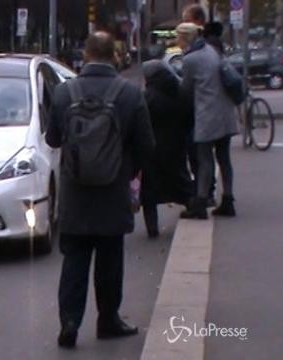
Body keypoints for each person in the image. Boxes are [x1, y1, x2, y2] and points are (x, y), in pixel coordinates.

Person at [46, 31, 155, 349]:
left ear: (85, 55)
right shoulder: (131, 94)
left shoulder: (65, 92)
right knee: (110, 259)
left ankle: (69, 322)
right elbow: (147, 146)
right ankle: (108, 319)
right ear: (114, 57)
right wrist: (127, 169)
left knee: (74, 259)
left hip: (75, 193)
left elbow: (53, 139)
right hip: (112, 190)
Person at [176, 22, 238, 219]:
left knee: (204, 158)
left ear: (185, 38)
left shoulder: (191, 59)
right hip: (226, 112)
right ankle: (228, 200)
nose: (176, 40)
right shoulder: (211, 50)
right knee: (224, 158)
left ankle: (200, 203)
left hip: (207, 114)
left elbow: (186, 91)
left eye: (178, 37)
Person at [141, 59, 195, 238]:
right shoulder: (180, 91)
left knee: (149, 190)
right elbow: (189, 118)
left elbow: (141, 123)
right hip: (176, 145)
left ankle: (152, 228)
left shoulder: (147, 97)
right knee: (180, 180)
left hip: (152, 149)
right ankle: (193, 206)